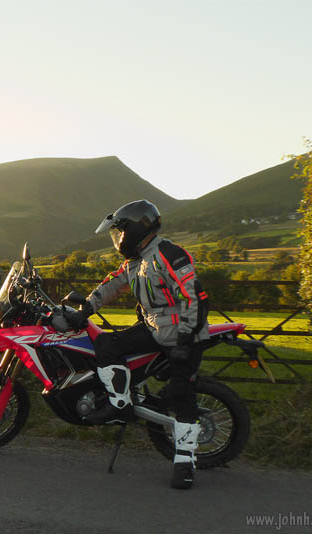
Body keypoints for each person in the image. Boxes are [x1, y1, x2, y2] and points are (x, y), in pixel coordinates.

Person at [63, 199, 209, 489]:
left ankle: (185, 463)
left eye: (120, 232)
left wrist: (184, 340)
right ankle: (121, 404)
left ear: (135, 228)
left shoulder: (169, 253)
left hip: (184, 334)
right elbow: (112, 284)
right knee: (105, 345)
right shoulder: (136, 260)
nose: (118, 238)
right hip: (154, 329)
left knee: (181, 394)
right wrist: (86, 310)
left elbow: (194, 298)